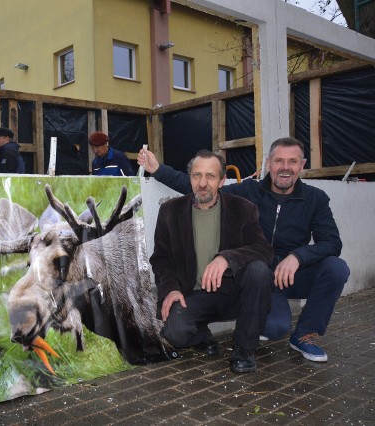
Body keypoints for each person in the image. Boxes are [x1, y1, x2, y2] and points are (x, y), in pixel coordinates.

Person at [139, 137, 350, 362]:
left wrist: (298, 256)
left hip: (293, 273)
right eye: (279, 161)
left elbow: (332, 243)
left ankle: (304, 335)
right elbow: (205, 186)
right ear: (269, 163)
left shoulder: (315, 199)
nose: (285, 167)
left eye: (292, 161)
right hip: (259, 275)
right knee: (275, 327)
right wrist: (158, 170)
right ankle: (251, 325)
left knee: (336, 268)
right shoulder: (250, 191)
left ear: (302, 165)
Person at [151, 150, 273, 373]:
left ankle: (244, 350)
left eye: (210, 176)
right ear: (190, 178)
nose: (203, 183)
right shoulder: (170, 211)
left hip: (233, 293)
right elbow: (161, 259)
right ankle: (201, 335)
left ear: (222, 180)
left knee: (259, 270)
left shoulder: (243, 209)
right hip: (193, 295)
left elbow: (264, 250)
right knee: (174, 334)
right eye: (197, 175)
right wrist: (171, 289)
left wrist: (227, 258)